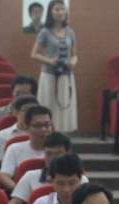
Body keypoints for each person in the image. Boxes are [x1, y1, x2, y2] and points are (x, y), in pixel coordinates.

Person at [10, 131, 89, 204]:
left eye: (58, 153)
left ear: (68, 153)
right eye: (48, 153)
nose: (53, 158)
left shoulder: (81, 180)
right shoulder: (30, 176)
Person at [31, 0, 78, 133]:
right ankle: (46, 134)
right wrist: (49, 61)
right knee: (48, 106)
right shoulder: (44, 32)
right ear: (50, 12)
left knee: (64, 108)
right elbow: (34, 54)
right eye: (56, 9)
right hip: (49, 75)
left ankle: (61, 136)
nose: (60, 12)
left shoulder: (70, 31)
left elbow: (75, 55)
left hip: (66, 76)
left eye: (62, 9)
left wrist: (73, 62)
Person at [0, 104, 53, 190]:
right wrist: (21, 190)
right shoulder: (14, 149)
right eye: (38, 126)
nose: (43, 129)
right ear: (26, 127)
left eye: (47, 125)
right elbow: (4, 176)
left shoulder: (59, 149)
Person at [0, 75, 37, 140]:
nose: (20, 97)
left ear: (33, 95)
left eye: (25, 94)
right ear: (12, 92)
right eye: (18, 94)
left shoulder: (40, 114)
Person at [0, 94, 39, 161]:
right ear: (15, 112)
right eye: (26, 110)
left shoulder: (43, 133)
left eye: (34, 110)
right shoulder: (3, 135)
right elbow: (2, 162)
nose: (31, 114)